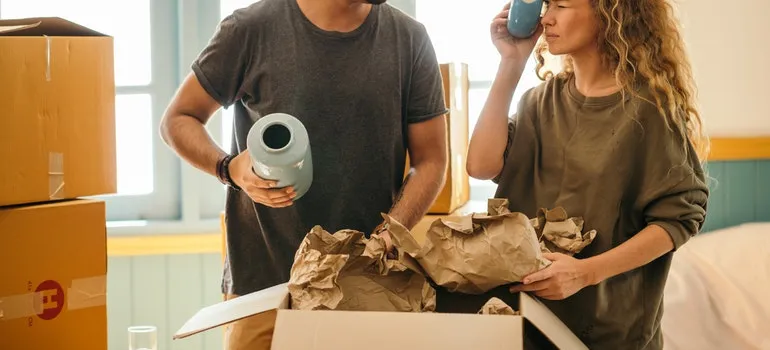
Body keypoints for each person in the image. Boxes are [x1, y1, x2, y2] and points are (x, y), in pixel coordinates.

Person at [159, 0, 449, 348]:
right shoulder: (250, 29)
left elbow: (431, 160)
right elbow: (177, 119)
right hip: (262, 291)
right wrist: (229, 168)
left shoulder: (410, 39)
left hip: (365, 288)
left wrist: (391, 233)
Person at [464, 0, 709, 349]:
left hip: (610, 334)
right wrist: (511, 62)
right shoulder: (537, 102)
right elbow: (481, 165)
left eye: (562, 5)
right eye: (547, 5)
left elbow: (678, 221)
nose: (546, 18)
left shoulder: (650, 110)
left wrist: (585, 273)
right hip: (525, 322)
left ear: (612, 15)